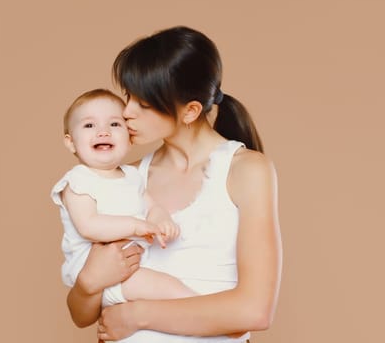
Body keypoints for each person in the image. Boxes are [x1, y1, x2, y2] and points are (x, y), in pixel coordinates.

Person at [65, 26, 283, 342]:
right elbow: (81, 315)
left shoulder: (246, 170)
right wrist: (87, 282)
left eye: (144, 103)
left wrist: (135, 315)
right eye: (127, 97)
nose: (126, 113)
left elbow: (254, 311)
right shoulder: (129, 177)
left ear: (190, 110)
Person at [51, 88, 197, 308]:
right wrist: (136, 227)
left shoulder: (132, 175)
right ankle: (214, 313)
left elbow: (152, 207)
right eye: (89, 125)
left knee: (170, 287)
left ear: (130, 140)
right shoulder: (77, 181)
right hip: (99, 274)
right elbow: (89, 226)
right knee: (171, 289)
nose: (103, 132)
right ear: (71, 142)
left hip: (132, 266)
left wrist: (162, 220)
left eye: (114, 124)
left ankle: (209, 315)